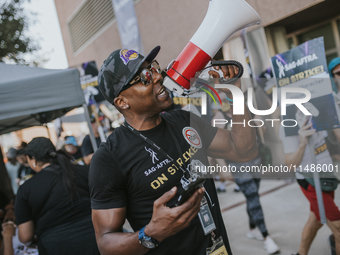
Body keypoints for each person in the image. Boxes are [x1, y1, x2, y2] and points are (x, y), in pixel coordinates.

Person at [89, 46, 258, 255]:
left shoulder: (184, 121)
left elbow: (244, 151)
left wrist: (235, 95)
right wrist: (151, 233)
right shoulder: (109, 158)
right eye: (144, 76)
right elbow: (105, 244)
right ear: (122, 102)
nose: (158, 76)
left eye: (153, 67)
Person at [14, 137, 100, 255]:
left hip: (54, 247)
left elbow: (25, 237)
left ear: (32, 159)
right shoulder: (82, 171)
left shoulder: (25, 189)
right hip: (97, 240)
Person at [280, 117, 340, 255]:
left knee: (316, 220)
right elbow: (290, 165)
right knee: (338, 227)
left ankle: (301, 253)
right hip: (310, 181)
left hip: (327, 177)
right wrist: (302, 143)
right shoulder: (288, 124)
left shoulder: (322, 109)